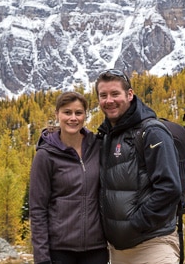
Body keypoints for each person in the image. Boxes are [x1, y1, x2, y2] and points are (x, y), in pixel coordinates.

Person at [95, 69, 182, 264]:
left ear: (130, 94)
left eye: (115, 93)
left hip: (153, 247)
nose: (109, 100)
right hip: (118, 253)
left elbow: (169, 188)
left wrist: (135, 223)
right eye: (103, 95)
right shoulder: (107, 136)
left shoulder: (151, 132)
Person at [29, 91, 109, 264]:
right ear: (57, 114)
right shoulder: (45, 155)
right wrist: (42, 258)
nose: (73, 118)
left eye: (78, 113)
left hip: (97, 250)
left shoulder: (98, 147)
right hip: (59, 250)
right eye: (67, 112)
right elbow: (37, 210)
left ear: (85, 116)